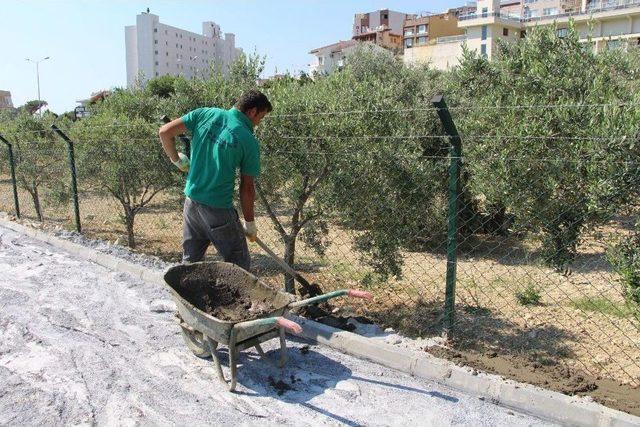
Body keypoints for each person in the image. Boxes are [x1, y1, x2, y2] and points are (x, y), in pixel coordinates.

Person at [158, 90, 272, 270]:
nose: (258, 123)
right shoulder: (248, 140)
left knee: (190, 262)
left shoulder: (204, 113)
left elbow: (164, 132)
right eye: (261, 117)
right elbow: (247, 188)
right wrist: (249, 223)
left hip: (191, 203)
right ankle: (234, 298)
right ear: (252, 112)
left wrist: (177, 160)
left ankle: (186, 296)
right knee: (239, 265)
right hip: (218, 210)